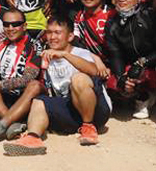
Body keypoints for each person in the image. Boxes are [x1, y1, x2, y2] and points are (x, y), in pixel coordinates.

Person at [7, 16, 111, 153]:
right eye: (49, 32)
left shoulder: (81, 52)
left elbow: (94, 71)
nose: (52, 37)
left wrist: (65, 55)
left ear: (69, 37)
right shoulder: (46, 55)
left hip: (97, 111)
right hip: (71, 112)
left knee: (78, 79)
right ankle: (33, 139)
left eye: (57, 32)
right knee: (39, 101)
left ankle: (88, 127)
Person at [0, 9, 42, 146]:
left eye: (15, 24)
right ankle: (13, 122)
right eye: (6, 24)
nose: (10, 28)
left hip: (27, 99)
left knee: (34, 85)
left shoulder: (35, 46)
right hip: (5, 99)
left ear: (24, 26)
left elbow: (28, 79)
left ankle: (3, 123)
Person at [103, 0, 156, 120]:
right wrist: (121, 77)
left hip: (153, 62)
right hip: (129, 65)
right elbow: (115, 54)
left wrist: (142, 62)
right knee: (114, 82)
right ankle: (136, 97)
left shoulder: (151, 16)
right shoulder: (111, 24)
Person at [72, 0, 113, 64]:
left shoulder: (111, 14)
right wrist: (95, 59)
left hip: (113, 62)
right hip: (91, 62)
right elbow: (76, 42)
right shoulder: (79, 17)